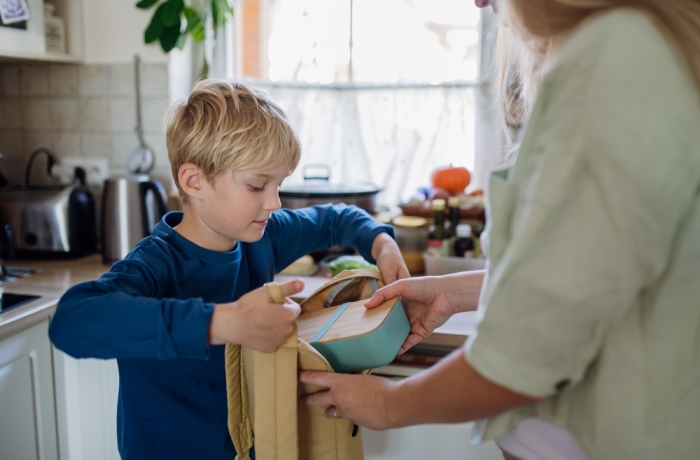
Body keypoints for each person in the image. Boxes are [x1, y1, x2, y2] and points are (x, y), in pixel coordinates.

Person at [300, 1, 700, 459]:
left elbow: (530, 351)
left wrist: (389, 404)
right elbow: (589, 275)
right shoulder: (636, 49)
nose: (478, 2)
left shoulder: (613, 62)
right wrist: (455, 293)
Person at [49, 79, 409, 460]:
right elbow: (70, 321)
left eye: (278, 184)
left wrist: (381, 242)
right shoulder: (156, 265)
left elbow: (337, 218)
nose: (274, 202)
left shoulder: (263, 236)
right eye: (257, 186)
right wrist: (224, 323)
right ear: (194, 181)